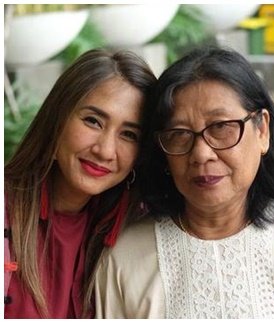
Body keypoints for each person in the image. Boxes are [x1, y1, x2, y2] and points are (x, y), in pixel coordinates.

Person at [93, 47, 274, 318]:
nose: (201, 154)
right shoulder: (124, 260)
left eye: (221, 127)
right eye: (179, 134)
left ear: (261, 130)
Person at [4, 50, 156, 318]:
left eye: (129, 134)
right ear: (57, 119)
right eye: (93, 121)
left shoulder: (135, 230)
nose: (105, 150)